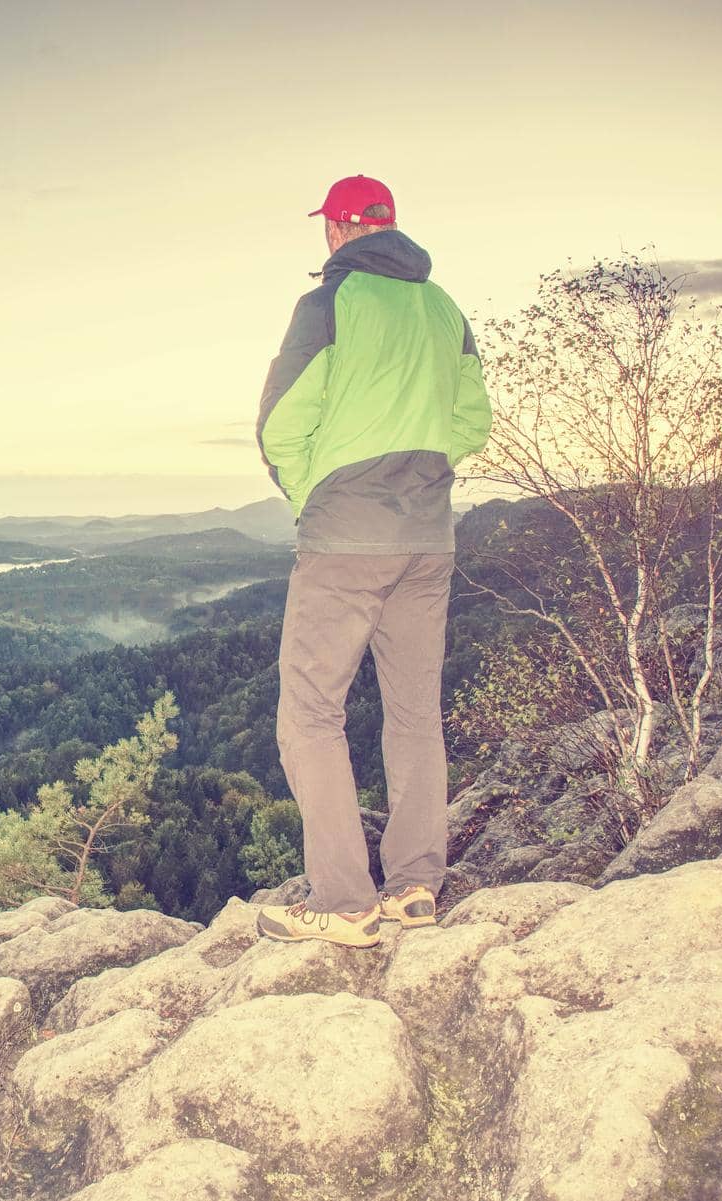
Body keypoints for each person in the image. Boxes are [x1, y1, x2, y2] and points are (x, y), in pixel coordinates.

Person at [252, 174, 493, 948]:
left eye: (328, 227)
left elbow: (282, 423)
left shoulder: (327, 303)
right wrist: (417, 473)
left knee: (311, 715)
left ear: (340, 229)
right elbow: (472, 420)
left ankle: (345, 899)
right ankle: (417, 884)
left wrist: (312, 492)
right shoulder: (443, 307)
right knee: (416, 710)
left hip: (345, 537)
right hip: (428, 535)